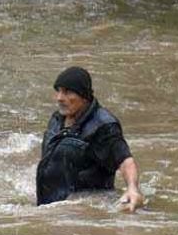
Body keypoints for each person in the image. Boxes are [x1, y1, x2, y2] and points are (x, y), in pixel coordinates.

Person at [36, 66, 145, 212]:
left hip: (81, 212)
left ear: (84, 96)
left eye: (67, 92)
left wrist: (132, 189)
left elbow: (125, 160)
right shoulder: (57, 119)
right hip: (49, 207)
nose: (60, 98)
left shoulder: (103, 125)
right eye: (59, 91)